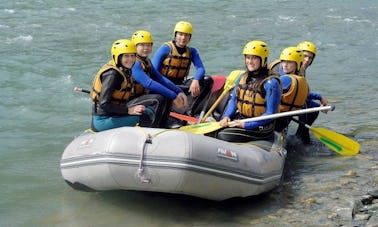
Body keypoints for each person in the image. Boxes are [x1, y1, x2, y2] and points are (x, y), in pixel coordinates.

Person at [90, 39, 169, 132]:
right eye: (126, 56)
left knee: (148, 111)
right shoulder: (112, 75)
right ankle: (150, 139)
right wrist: (129, 110)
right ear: (118, 57)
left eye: (132, 56)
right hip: (102, 120)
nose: (130, 59)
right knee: (146, 115)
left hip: (115, 114)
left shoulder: (124, 69)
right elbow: (104, 104)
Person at [216, 40, 281, 142]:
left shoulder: (271, 83)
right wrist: (226, 116)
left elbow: (270, 114)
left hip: (262, 125)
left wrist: (246, 125)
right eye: (248, 57)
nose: (250, 61)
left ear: (263, 60)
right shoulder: (243, 77)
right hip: (243, 118)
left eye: (254, 58)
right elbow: (234, 101)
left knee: (224, 135)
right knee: (218, 129)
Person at [152, 21, 212, 116]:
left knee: (207, 80)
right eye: (180, 34)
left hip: (180, 84)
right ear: (175, 35)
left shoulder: (192, 51)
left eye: (186, 35)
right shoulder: (165, 49)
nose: (183, 38)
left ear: (190, 37)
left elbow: (201, 69)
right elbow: (153, 71)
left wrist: (196, 80)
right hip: (165, 84)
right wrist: (170, 87)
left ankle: (190, 110)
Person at [130, 30, 188, 127]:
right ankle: (152, 128)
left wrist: (179, 91)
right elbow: (148, 83)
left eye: (148, 45)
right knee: (158, 98)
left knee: (166, 95)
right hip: (130, 101)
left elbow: (159, 78)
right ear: (135, 47)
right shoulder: (134, 63)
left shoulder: (146, 61)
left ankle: (162, 125)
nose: (146, 48)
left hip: (140, 97)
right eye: (142, 45)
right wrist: (173, 95)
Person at [271, 46, 310, 133]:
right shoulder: (300, 79)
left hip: (274, 120)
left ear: (297, 64)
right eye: (283, 61)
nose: (285, 64)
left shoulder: (285, 79)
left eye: (289, 62)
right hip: (285, 120)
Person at [296, 41, 328, 143]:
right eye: (305, 56)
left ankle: (301, 133)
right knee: (309, 107)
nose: (307, 60)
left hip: (296, 98)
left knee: (314, 108)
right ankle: (302, 136)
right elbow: (300, 93)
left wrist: (318, 99)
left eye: (310, 58)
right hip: (287, 101)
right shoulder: (294, 69)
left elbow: (302, 92)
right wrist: (319, 96)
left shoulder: (301, 68)